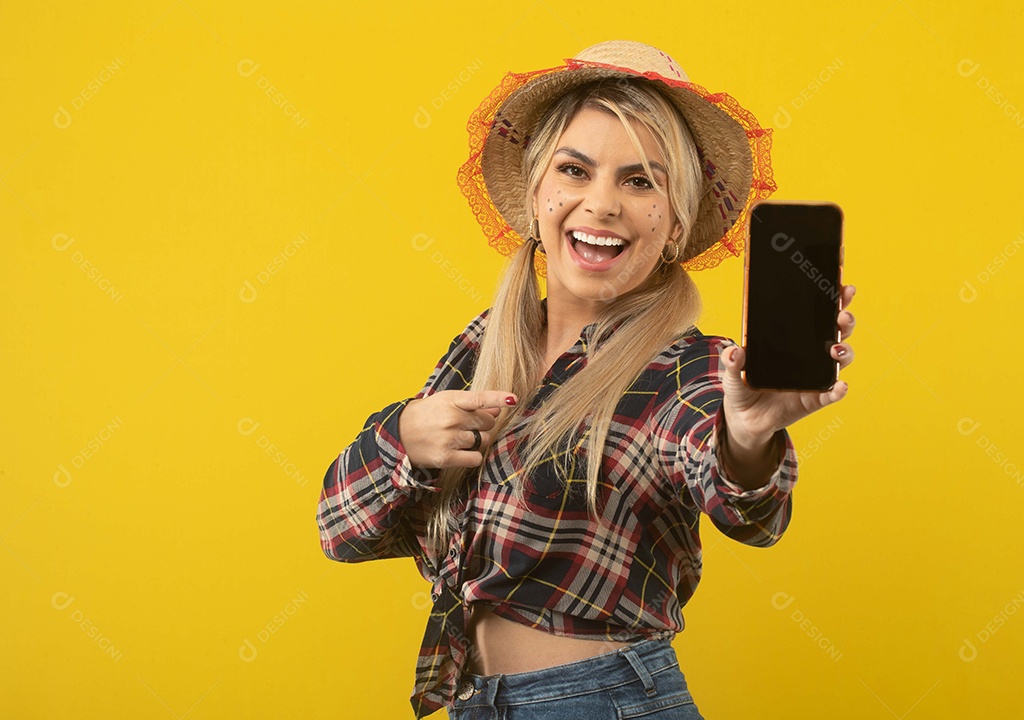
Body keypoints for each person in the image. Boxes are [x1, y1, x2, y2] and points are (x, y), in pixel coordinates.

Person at [317, 40, 857, 720]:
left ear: (676, 223)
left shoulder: (689, 370)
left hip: (605, 702)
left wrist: (747, 439)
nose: (601, 204)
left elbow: (746, 507)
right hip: (476, 703)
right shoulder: (482, 348)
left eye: (641, 182)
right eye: (575, 170)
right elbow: (341, 532)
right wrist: (403, 439)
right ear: (539, 194)